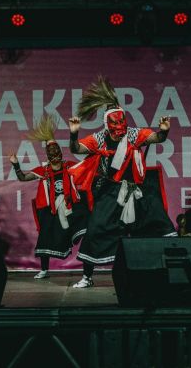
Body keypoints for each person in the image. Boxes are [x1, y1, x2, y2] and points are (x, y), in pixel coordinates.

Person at [68, 76, 177, 288]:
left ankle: (167, 267)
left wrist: (164, 130)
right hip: (110, 191)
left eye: (121, 122)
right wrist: (74, 135)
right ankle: (87, 276)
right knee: (96, 229)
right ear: (107, 125)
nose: (119, 127)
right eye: (114, 123)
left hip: (137, 190)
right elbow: (76, 150)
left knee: (159, 223)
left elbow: (157, 138)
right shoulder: (99, 138)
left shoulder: (134, 134)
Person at [8, 114, 87, 279]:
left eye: (56, 150)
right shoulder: (42, 171)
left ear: (60, 151)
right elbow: (22, 177)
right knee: (45, 237)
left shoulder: (69, 166)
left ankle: (87, 272)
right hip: (51, 210)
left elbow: (86, 169)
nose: (54, 153)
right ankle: (44, 269)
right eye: (51, 151)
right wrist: (15, 164)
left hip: (69, 207)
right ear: (47, 154)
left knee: (85, 231)